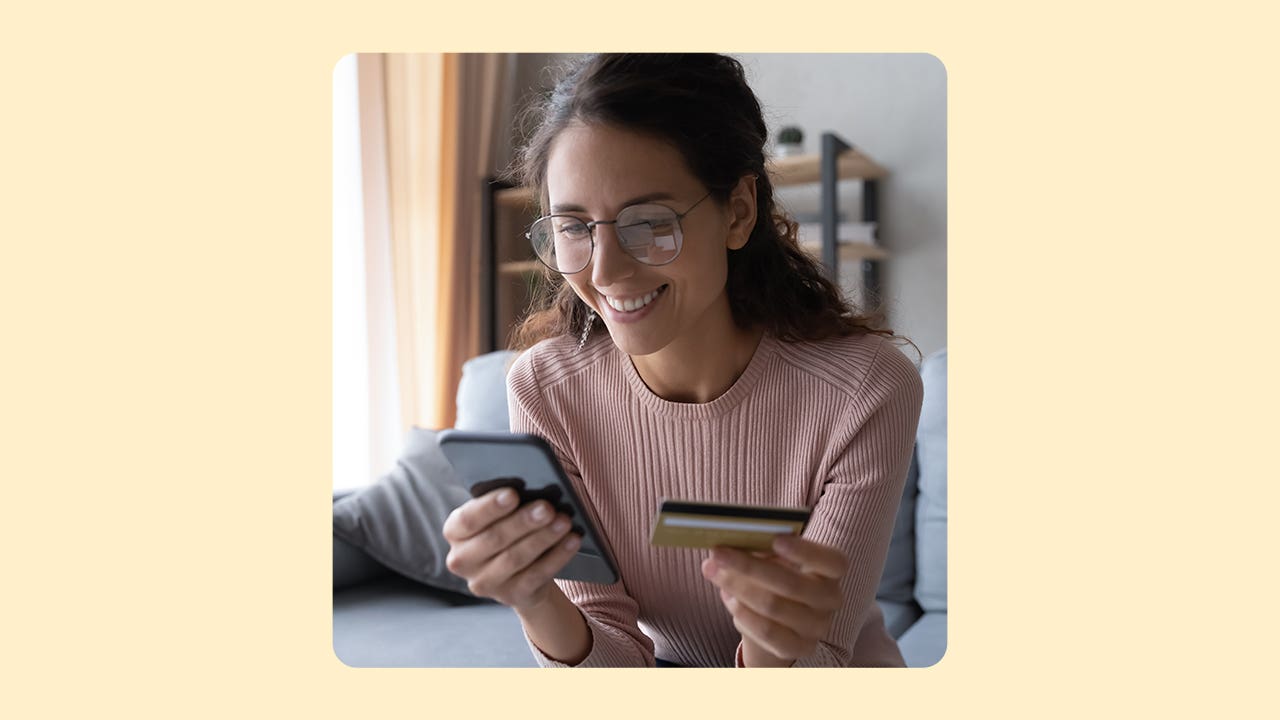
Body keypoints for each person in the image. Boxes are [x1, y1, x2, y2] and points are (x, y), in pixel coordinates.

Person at [442, 53, 923, 668]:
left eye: (649, 222)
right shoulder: (546, 388)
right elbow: (608, 648)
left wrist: (779, 640)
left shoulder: (864, 388)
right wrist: (535, 598)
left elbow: (821, 653)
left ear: (739, 212)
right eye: (573, 226)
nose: (606, 269)